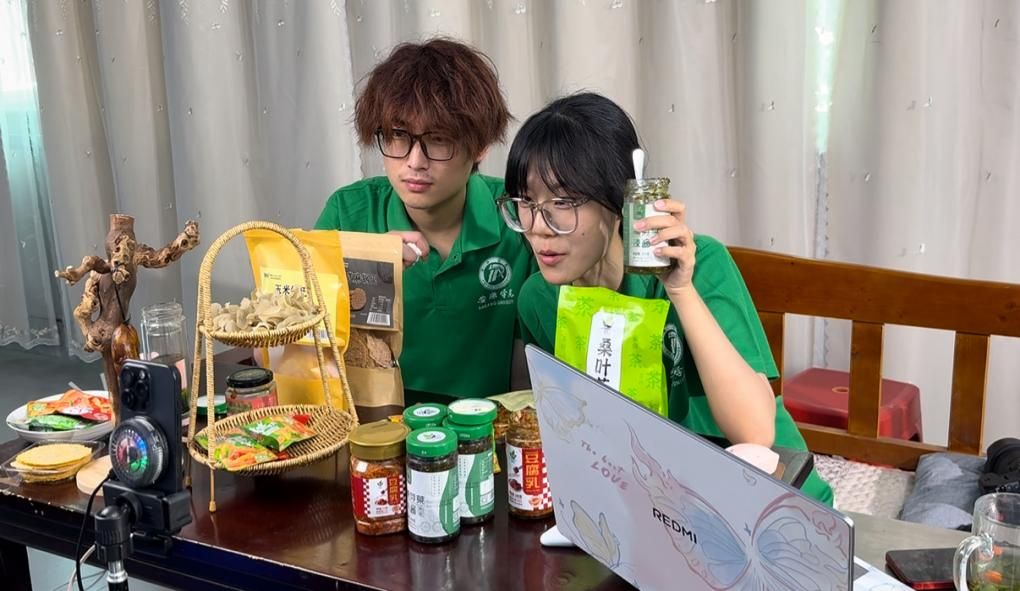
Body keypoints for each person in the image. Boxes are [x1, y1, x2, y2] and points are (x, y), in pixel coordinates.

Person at [502, 92, 833, 504]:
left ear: (618, 201)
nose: (538, 226)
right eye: (526, 202)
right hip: (655, 505)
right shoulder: (539, 298)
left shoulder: (700, 264)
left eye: (563, 202)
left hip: (772, 501)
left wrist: (681, 290)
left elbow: (755, 434)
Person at [315, 38, 536, 404]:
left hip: (483, 423)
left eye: (438, 139)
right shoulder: (348, 213)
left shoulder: (516, 215)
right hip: (374, 425)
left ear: (480, 146)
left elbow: (533, 366)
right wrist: (368, 264)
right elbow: (284, 345)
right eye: (398, 136)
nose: (415, 162)